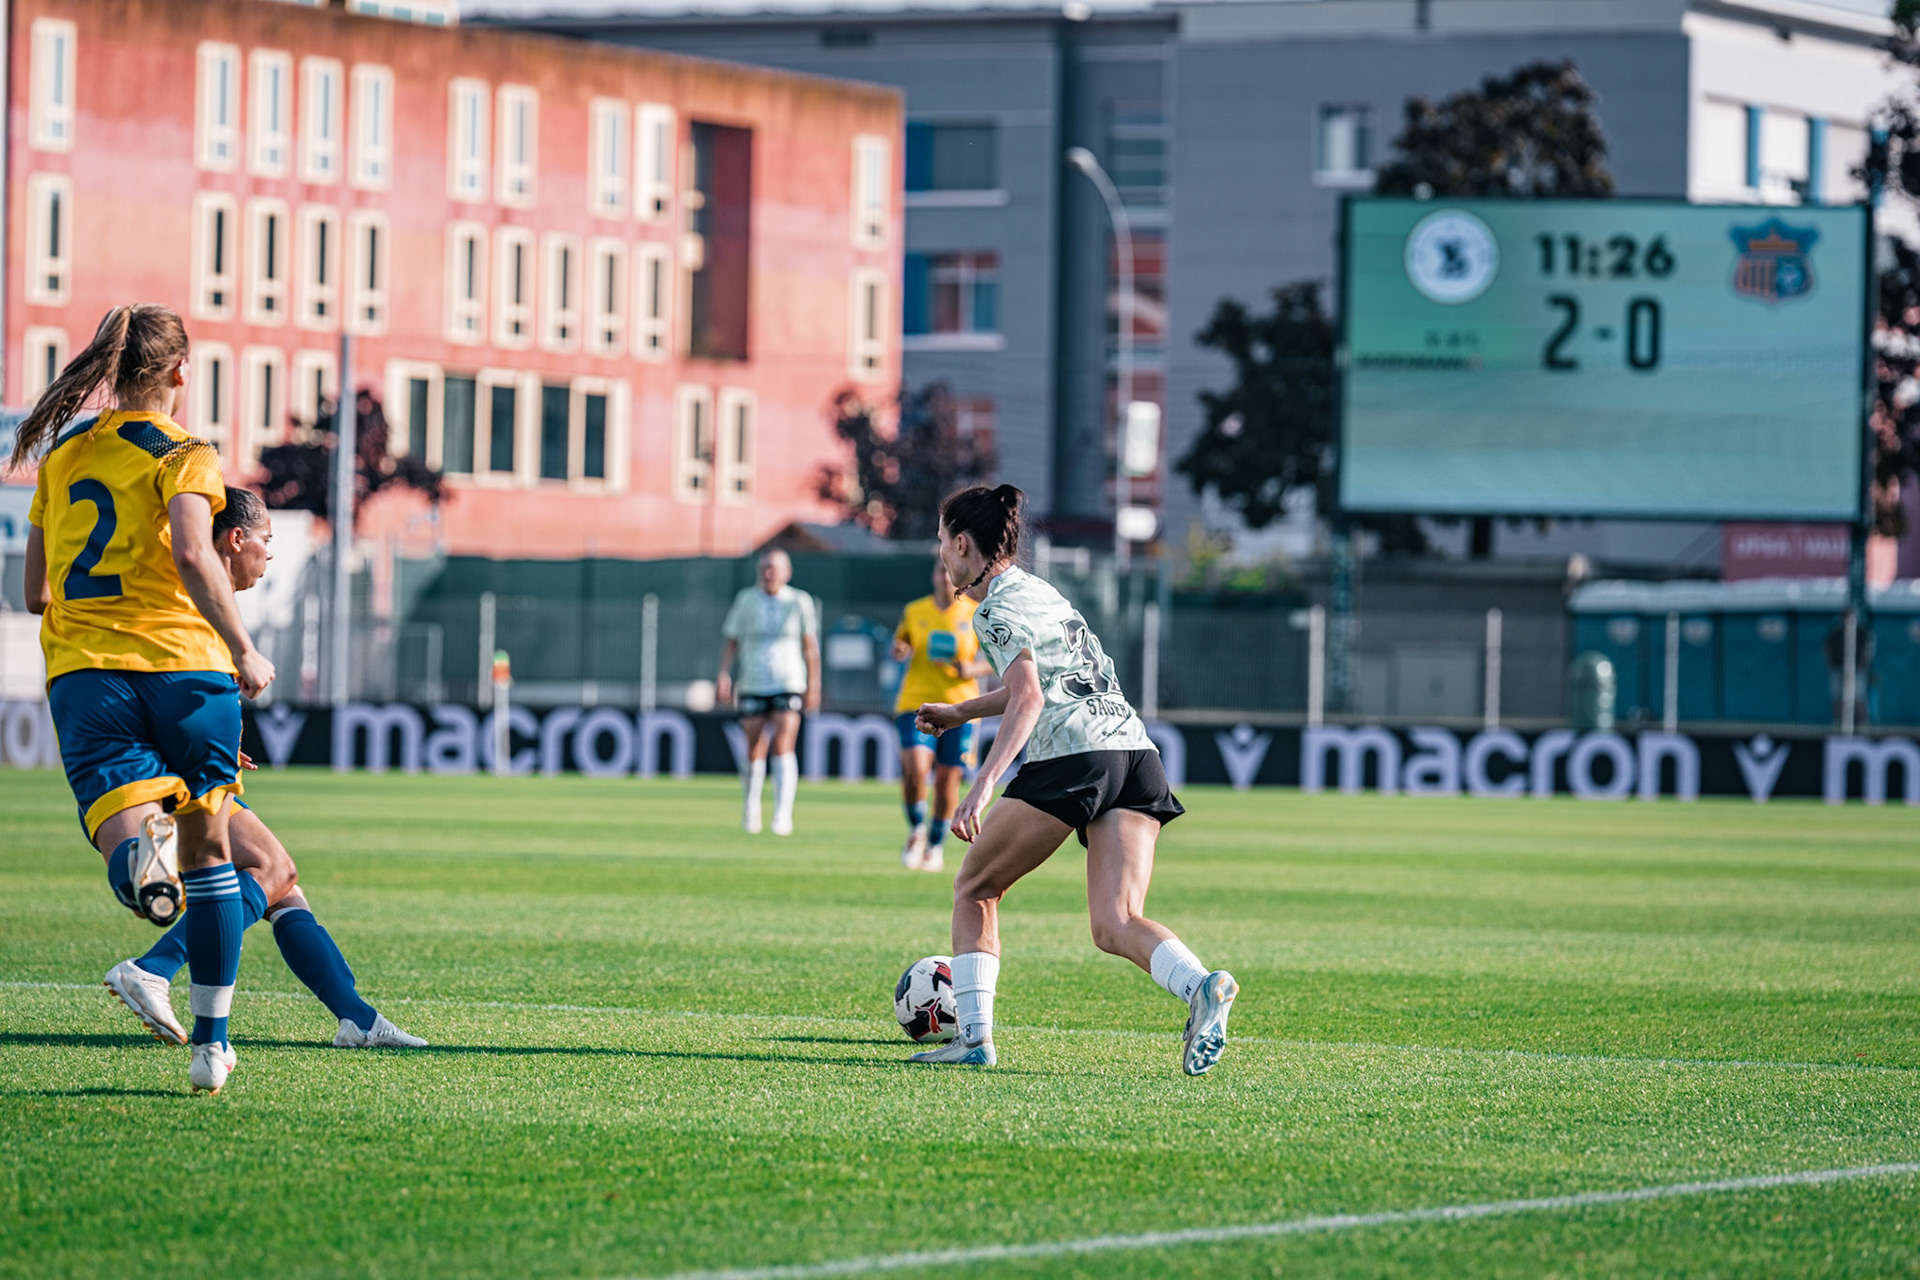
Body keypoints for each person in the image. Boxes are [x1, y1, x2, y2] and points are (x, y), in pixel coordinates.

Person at [16, 304, 273, 1094]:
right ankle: (211, 1048)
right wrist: (243, 648)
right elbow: (196, 553)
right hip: (188, 671)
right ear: (178, 373)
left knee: (136, 849)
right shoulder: (186, 452)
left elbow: (33, 591)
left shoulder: (61, 456)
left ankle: (138, 860)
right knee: (215, 860)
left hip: (89, 673)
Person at [907, 485, 1237, 1074]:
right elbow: (1038, 681)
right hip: (1133, 751)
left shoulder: (993, 609)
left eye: (941, 543)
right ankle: (1200, 987)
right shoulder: (1040, 591)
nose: (941, 557)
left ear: (962, 543)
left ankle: (975, 1040)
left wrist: (983, 784)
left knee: (975, 887)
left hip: (1075, 754)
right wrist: (961, 712)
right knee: (1116, 922)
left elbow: (1031, 697)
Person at [96, 487, 425, 1052]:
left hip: (163, 752)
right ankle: (155, 966)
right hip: (172, 771)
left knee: (283, 884)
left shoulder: (190, 591)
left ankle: (356, 1018)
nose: (270, 554)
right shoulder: (199, 596)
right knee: (272, 869)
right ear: (236, 538)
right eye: (266, 541)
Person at [891, 559, 991, 872]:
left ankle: (935, 844)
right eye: (940, 572)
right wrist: (900, 650)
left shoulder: (974, 613)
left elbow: (996, 659)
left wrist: (971, 668)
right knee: (915, 770)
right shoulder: (915, 611)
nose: (946, 579)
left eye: (950, 574)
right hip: (916, 702)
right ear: (934, 576)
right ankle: (917, 828)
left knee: (948, 780)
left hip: (960, 708)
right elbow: (902, 642)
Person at [716, 549, 820, 835]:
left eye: (773, 568)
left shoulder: (799, 601)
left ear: (787, 573)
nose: (767, 572)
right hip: (752, 681)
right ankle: (751, 808)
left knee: (784, 743)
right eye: (764, 567)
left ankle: (782, 814)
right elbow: (732, 641)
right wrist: (724, 675)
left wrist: (814, 685)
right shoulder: (746, 599)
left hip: (788, 681)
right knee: (753, 747)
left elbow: (810, 646)